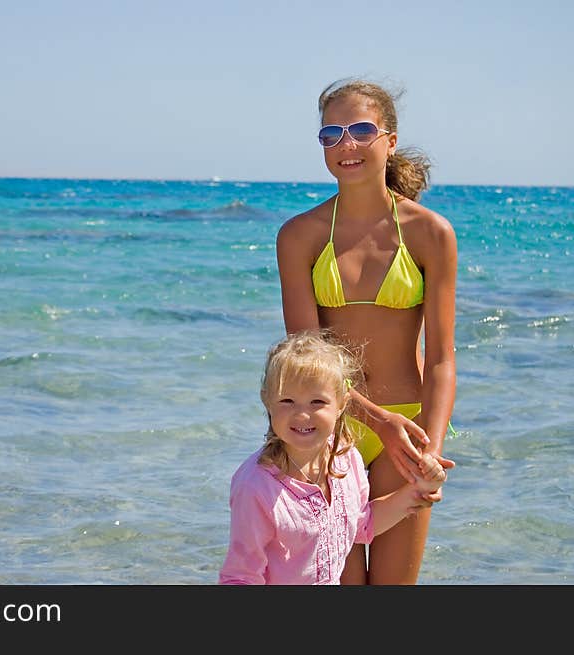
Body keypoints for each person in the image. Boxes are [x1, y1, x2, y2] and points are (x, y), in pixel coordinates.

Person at [275, 78, 458, 584]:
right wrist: (375, 421)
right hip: (326, 431)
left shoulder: (430, 232)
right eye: (330, 134)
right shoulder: (299, 236)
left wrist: (429, 450)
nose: (346, 145)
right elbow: (306, 362)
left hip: (409, 432)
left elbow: (442, 357)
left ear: (390, 140)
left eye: (360, 130)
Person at [218, 330, 450, 585]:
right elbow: (240, 577)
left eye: (317, 402)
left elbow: (363, 524)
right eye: (287, 401)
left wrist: (418, 490)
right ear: (267, 401)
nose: (302, 415)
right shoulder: (256, 487)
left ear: (341, 404)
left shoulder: (346, 459)